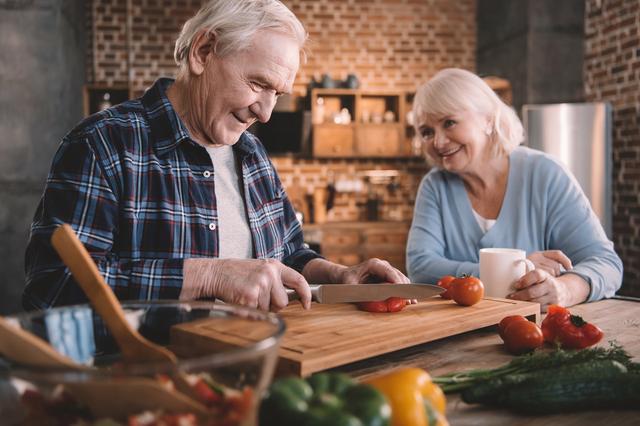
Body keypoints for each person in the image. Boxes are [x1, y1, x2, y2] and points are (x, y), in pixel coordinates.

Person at [24, 0, 408, 312]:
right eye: (258, 84)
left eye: (278, 93)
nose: (266, 113)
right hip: (148, 383)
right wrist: (210, 276)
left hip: (257, 368)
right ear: (203, 52)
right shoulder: (103, 144)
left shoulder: (252, 152)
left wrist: (339, 276)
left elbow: (288, 253)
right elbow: (54, 286)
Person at [406, 68, 622, 311]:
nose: (438, 142)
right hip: (457, 335)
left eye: (449, 123)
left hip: (534, 335)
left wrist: (565, 289)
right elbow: (421, 269)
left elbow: (606, 263)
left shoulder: (545, 174)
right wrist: (510, 269)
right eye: (427, 132)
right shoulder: (435, 187)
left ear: (487, 119)